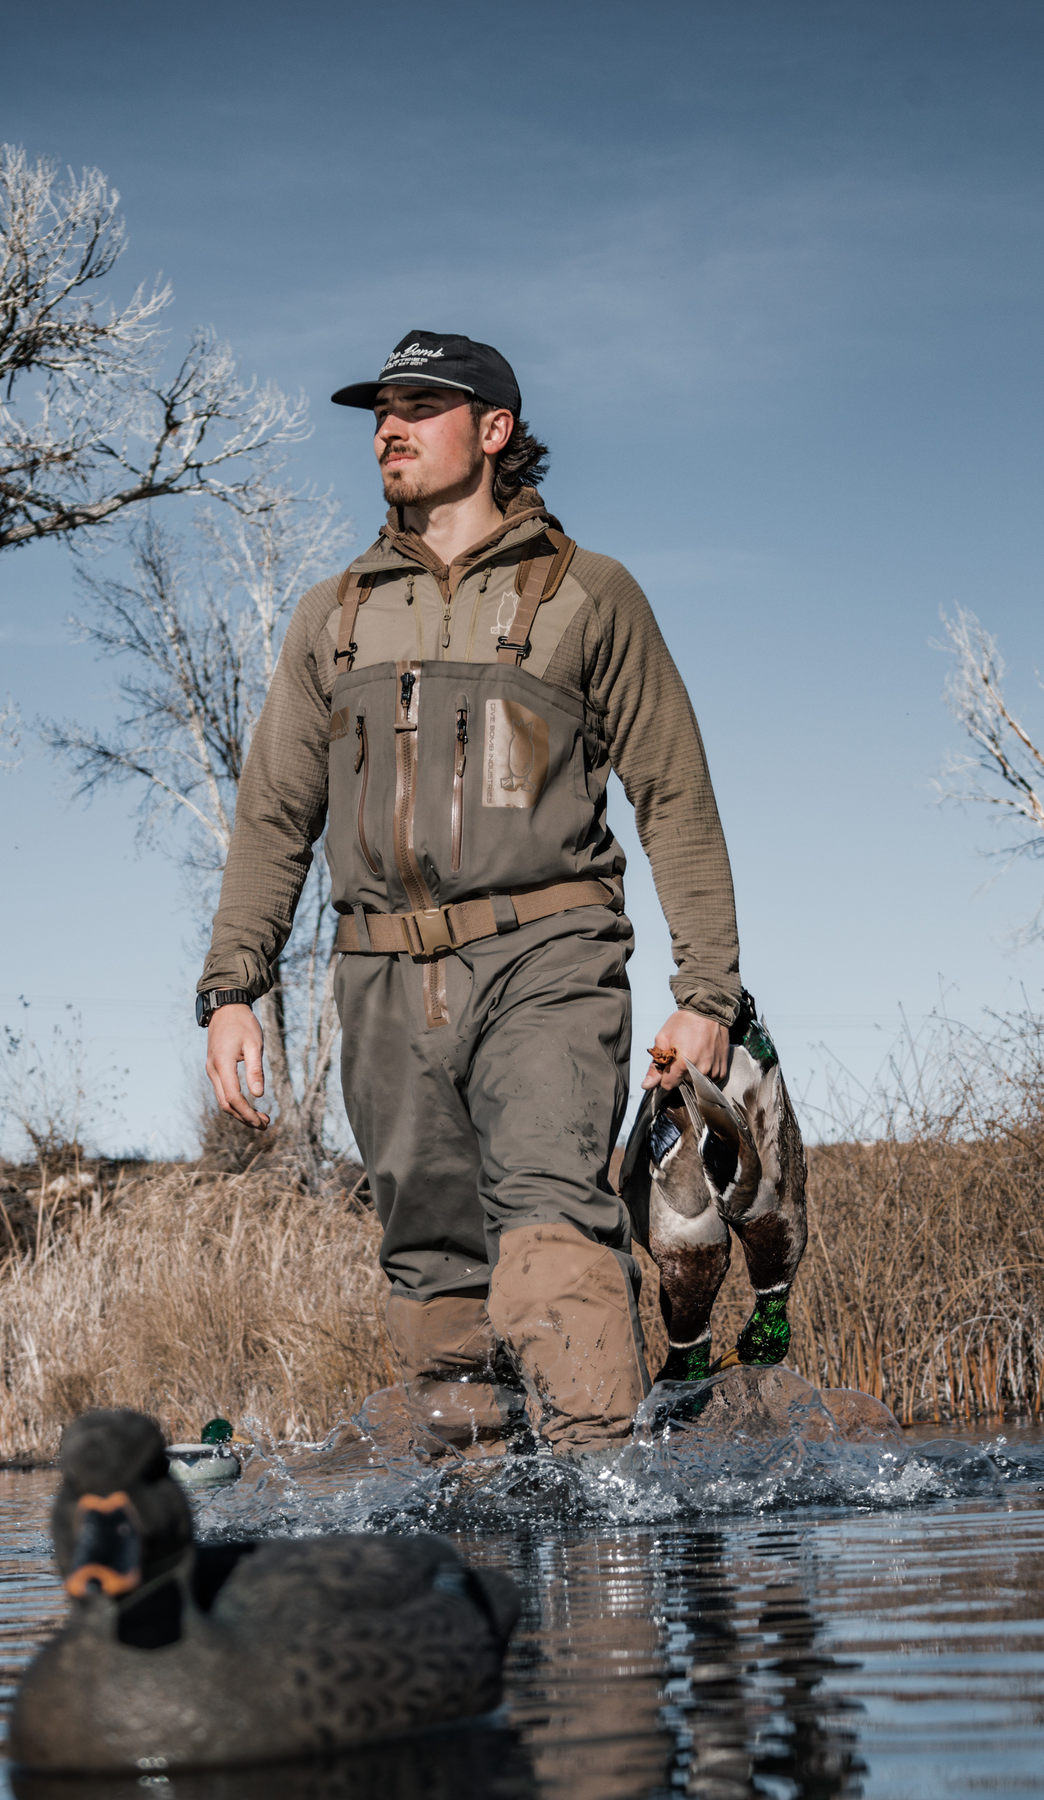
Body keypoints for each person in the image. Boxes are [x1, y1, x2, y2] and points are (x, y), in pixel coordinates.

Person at [197, 330, 741, 1453]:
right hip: (383, 980)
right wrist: (232, 987)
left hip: (548, 957)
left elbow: (673, 789)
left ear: (494, 431)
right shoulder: (332, 614)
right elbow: (273, 817)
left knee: (549, 1232)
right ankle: (481, 1527)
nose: (388, 428)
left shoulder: (590, 595)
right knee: (435, 1271)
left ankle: (610, 1530)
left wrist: (710, 992)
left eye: (420, 405)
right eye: (380, 410)